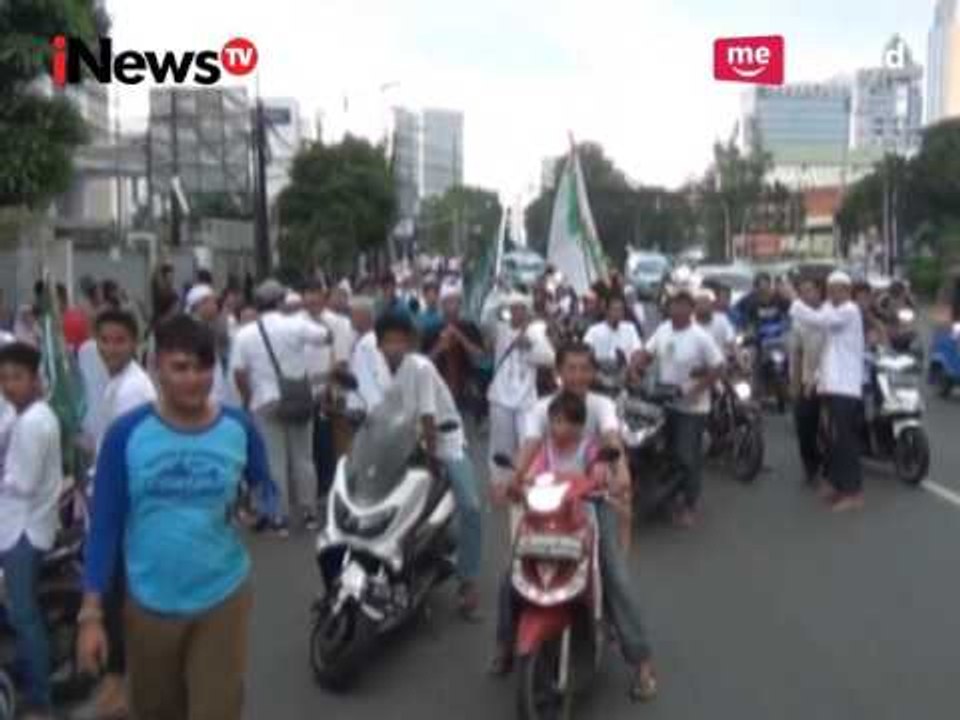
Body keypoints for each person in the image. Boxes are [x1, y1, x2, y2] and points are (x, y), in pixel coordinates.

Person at [77, 315, 277, 720]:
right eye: (181, 368)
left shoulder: (238, 428)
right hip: (148, 605)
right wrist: (91, 615)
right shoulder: (126, 435)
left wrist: (259, 505)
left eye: (204, 367)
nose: (194, 379)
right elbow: (104, 528)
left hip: (222, 597)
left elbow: (265, 487)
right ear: (157, 368)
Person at [502, 350, 658, 700]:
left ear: (592, 373)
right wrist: (514, 480)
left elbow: (611, 441)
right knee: (513, 571)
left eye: (585, 369)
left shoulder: (601, 406)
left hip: (589, 506)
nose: (577, 375)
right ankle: (504, 645)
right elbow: (528, 449)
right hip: (546, 510)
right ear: (558, 372)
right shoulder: (541, 409)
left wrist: (618, 473)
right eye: (570, 369)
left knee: (613, 572)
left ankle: (642, 662)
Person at [375, 311, 482, 617]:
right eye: (388, 341)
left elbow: (428, 418)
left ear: (409, 343)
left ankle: (468, 581)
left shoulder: (419, 367)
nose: (394, 346)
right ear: (379, 344)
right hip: (411, 442)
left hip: (445, 441)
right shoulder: (381, 369)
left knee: (471, 506)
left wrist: (432, 460)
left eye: (400, 340)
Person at [231, 279, 330, 534]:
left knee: (274, 461)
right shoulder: (296, 325)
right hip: (298, 398)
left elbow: (239, 372)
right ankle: (309, 514)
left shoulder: (244, 334)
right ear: (280, 302)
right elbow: (325, 336)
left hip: (265, 402)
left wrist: (248, 396)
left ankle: (279, 517)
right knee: (304, 459)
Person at [0, 343, 63, 720]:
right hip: (23, 524)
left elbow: (21, 482)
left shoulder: (33, 423)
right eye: (4, 378)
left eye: (17, 378)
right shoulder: (26, 417)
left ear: (36, 380)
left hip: (24, 531)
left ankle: (40, 699)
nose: (9, 386)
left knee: (24, 615)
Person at [636, 289, 724, 527]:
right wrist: (636, 366)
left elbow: (718, 367)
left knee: (688, 457)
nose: (677, 309)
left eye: (683, 306)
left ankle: (690, 505)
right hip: (665, 403)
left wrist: (697, 389)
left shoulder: (700, 337)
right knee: (667, 454)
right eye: (674, 305)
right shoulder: (664, 329)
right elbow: (647, 353)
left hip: (692, 410)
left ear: (691, 310)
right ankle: (669, 499)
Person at [788, 271, 865, 512]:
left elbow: (816, 320)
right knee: (832, 439)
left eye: (836, 289)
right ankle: (835, 482)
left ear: (847, 290)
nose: (831, 293)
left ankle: (852, 492)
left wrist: (792, 299)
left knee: (845, 440)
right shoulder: (831, 310)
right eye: (829, 289)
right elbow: (813, 324)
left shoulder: (850, 310)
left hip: (846, 387)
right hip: (831, 385)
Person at [486, 292, 555, 487]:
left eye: (520, 308)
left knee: (529, 443)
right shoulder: (501, 330)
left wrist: (530, 346)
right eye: (513, 308)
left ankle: (527, 483)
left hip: (526, 400)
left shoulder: (535, 333)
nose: (516, 312)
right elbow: (486, 317)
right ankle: (501, 483)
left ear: (527, 312)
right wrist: (501, 296)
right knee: (501, 446)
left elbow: (550, 359)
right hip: (500, 397)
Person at [423, 284, 485, 411]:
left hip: (465, 392)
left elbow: (479, 356)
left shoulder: (469, 327)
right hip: (438, 391)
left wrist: (459, 336)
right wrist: (440, 346)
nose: (453, 306)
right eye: (449, 302)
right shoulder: (432, 330)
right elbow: (424, 361)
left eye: (456, 302)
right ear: (442, 305)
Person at [789, 278, 826, 486]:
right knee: (804, 423)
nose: (807, 295)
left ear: (819, 292)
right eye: (802, 292)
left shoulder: (830, 315)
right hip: (808, 378)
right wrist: (795, 385)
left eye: (810, 290)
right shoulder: (799, 321)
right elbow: (796, 353)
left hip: (833, 379)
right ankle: (810, 466)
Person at [348, 295, 389, 411]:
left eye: (352, 314)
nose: (350, 318)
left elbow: (382, 377)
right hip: (359, 408)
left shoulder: (371, 342)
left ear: (363, 316)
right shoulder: (359, 340)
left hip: (371, 410)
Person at [584, 294, 643, 366]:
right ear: (607, 311)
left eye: (620, 310)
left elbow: (637, 350)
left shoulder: (630, 328)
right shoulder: (594, 331)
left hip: (623, 369)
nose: (618, 313)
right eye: (615, 310)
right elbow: (586, 351)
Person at [694, 287, 736, 356]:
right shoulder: (687, 323)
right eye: (699, 303)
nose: (702, 306)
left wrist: (742, 365)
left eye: (705, 302)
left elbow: (732, 342)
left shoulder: (722, 319)